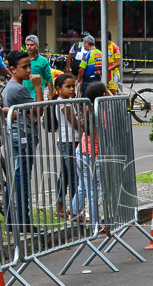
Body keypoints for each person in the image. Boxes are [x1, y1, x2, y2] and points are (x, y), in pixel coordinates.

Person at [3, 50, 38, 229]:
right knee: (20, 179)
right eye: (24, 67)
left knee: (17, 177)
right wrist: (38, 86)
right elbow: (38, 110)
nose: (28, 70)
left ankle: (14, 219)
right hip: (22, 137)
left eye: (29, 66)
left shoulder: (13, 87)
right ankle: (21, 220)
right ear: (12, 69)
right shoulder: (17, 88)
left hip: (20, 136)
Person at [73, 82, 108, 224]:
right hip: (93, 155)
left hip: (81, 151)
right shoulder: (102, 113)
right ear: (104, 95)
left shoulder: (87, 109)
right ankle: (96, 223)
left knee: (83, 185)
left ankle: (75, 213)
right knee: (93, 191)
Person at [52, 74, 80, 219]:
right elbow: (75, 124)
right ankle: (76, 209)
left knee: (65, 176)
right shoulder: (63, 104)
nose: (71, 90)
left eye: (73, 86)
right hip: (68, 142)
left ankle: (61, 205)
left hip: (70, 141)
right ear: (58, 89)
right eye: (67, 87)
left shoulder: (69, 101)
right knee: (74, 176)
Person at [23, 34, 53, 102]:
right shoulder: (22, 59)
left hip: (37, 94)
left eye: (32, 45)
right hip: (23, 94)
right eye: (27, 45)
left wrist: (51, 94)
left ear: (37, 46)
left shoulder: (43, 61)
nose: (29, 47)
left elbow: (49, 78)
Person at [105, 30, 122, 95]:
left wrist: (108, 69)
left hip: (113, 73)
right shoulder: (104, 47)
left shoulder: (115, 47)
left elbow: (118, 63)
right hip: (106, 73)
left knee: (112, 92)